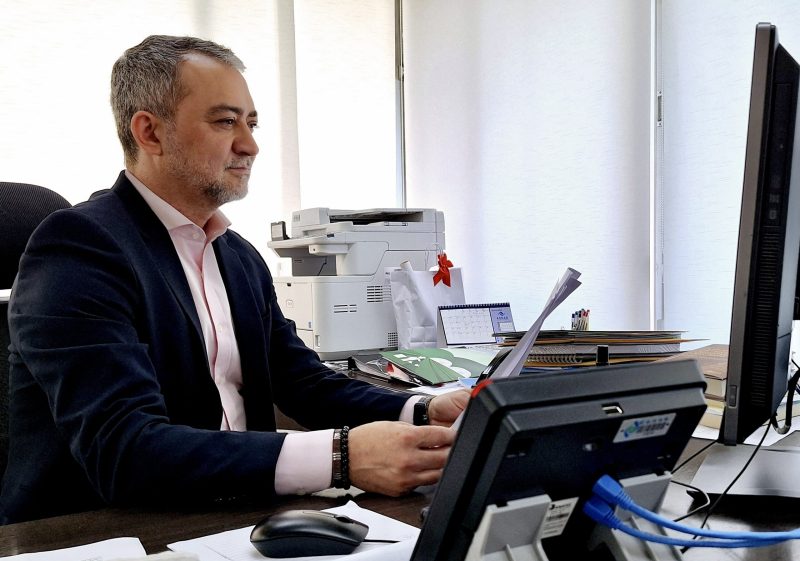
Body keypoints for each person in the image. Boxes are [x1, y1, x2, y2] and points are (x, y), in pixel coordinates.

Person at [0, 35, 469, 524]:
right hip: (98, 532)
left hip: (236, 515)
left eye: (251, 123)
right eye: (225, 121)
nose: (250, 144)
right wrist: (342, 457)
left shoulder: (236, 255)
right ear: (151, 133)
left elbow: (304, 383)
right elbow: (124, 449)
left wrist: (420, 411)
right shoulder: (79, 248)